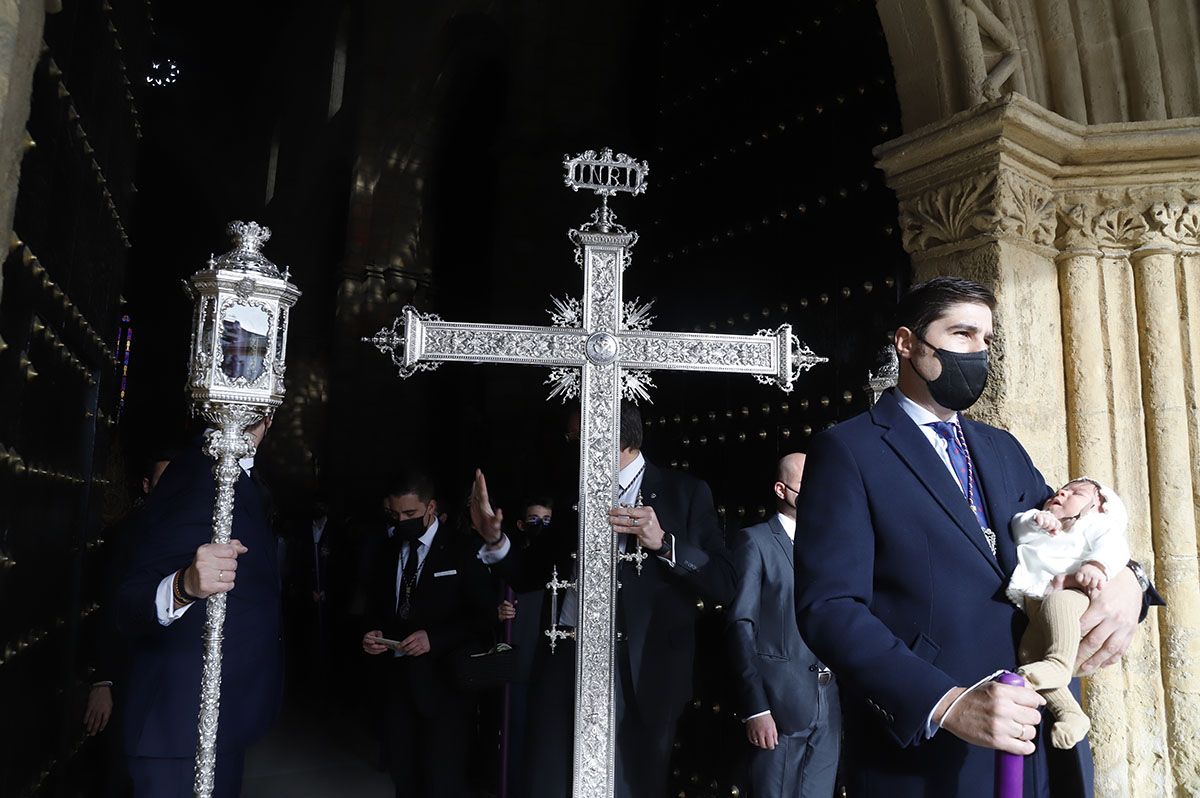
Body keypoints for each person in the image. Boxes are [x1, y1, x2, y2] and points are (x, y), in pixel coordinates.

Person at [792, 277, 1161, 797]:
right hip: (936, 748)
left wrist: (1132, 581)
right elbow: (830, 608)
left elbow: (1075, 533)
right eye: (961, 334)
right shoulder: (848, 449)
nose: (978, 352)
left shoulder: (1001, 446)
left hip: (1039, 737)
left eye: (986, 340)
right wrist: (945, 702)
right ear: (907, 342)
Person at [470, 402, 736, 798]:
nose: (571, 446)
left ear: (613, 435)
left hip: (642, 672)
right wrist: (495, 539)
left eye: (576, 438)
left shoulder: (686, 493)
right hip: (567, 660)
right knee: (552, 781)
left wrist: (664, 544)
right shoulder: (572, 493)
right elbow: (533, 573)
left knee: (631, 786)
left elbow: (724, 583)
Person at [116, 417, 281, 797]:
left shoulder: (241, 475)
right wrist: (184, 585)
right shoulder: (196, 474)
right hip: (179, 729)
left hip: (221, 718)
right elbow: (129, 603)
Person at [360, 469, 494, 798]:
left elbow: (485, 615)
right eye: (394, 514)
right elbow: (379, 606)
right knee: (404, 778)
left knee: (442, 781)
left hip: (446, 689)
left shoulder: (463, 550)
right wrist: (372, 633)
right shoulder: (388, 549)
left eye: (410, 514)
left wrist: (434, 639)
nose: (402, 520)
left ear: (430, 507)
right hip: (397, 686)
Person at [726, 452, 840, 797]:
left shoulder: (831, 544)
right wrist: (756, 707)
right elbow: (740, 624)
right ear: (781, 488)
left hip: (830, 702)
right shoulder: (756, 541)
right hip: (778, 703)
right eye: (807, 483)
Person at [1008, 478, 1130, 750]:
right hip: (1037, 600)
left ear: (1098, 508)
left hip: (1075, 591)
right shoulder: (1040, 520)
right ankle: (1071, 715)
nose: (1063, 491)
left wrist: (1096, 566)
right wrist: (1038, 521)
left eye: (1077, 493)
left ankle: (1059, 665)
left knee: (1057, 606)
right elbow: (1018, 527)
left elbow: (1115, 547)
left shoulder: (1095, 525)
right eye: (1063, 488)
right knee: (1029, 652)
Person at [83, 448, 175, 797]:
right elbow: (109, 607)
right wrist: (103, 681)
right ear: (147, 485)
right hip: (127, 676)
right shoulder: (128, 534)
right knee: (120, 774)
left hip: (166, 682)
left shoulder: (187, 534)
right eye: (162, 481)